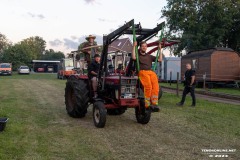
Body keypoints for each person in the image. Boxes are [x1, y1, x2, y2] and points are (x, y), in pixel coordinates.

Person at [132, 41, 162, 112]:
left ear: (146, 47)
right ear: (140, 47)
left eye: (145, 46)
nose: (144, 47)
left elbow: (160, 60)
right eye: (143, 46)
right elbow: (133, 57)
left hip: (151, 72)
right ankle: (147, 104)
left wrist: (160, 49)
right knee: (148, 87)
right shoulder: (138, 55)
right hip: (142, 72)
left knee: (156, 87)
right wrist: (134, 46)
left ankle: (154, 104)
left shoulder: (149, 56)